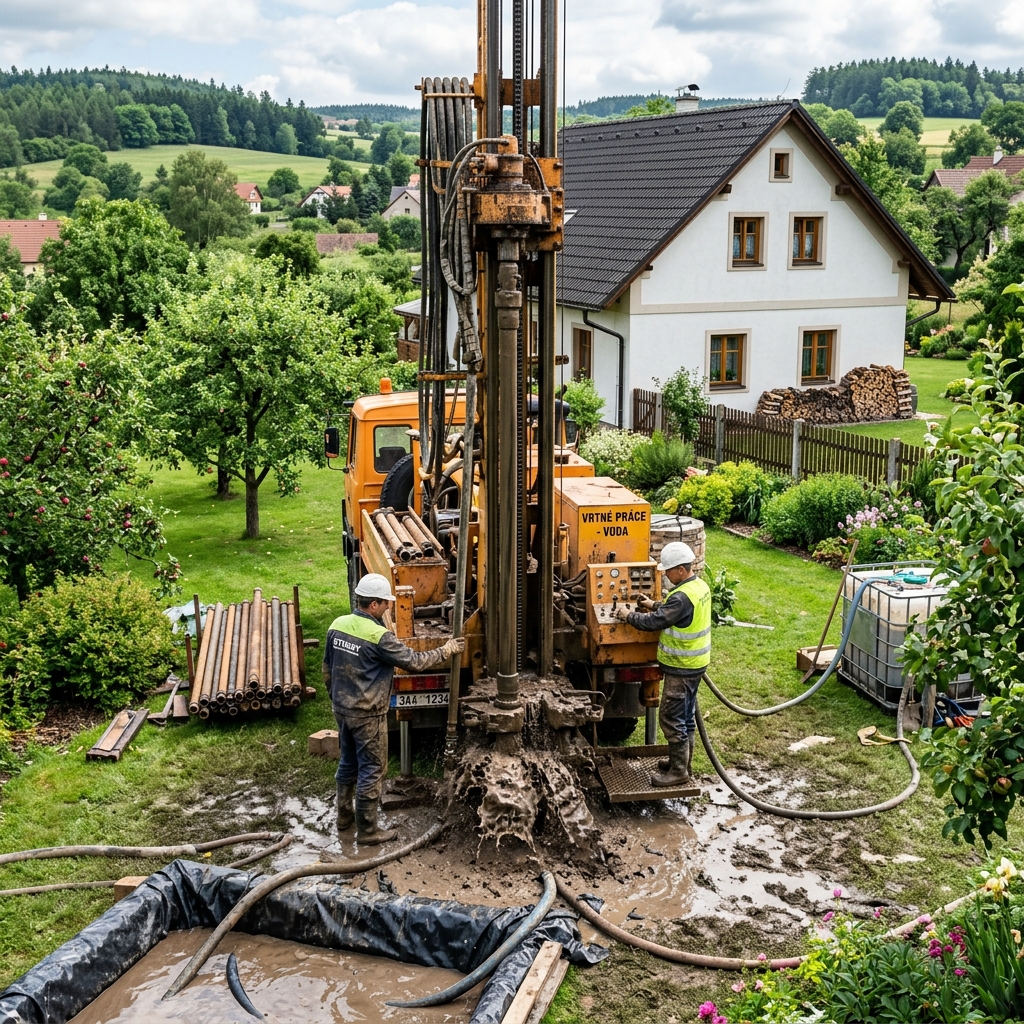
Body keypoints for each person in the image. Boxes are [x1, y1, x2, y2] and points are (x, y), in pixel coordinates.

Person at [324, 573, 465, 844]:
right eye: (385, 602)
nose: (389, 606)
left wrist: (336, 699)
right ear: (373, 604)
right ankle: (368, 831)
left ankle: (344, 818)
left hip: (342, 709)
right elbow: (414, 662)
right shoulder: (379, 637)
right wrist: (446, 650)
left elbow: (326, 669)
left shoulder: (337, 625)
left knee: (348, 761)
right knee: (372, 768)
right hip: (368, 713)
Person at [614, 541, 711, 788]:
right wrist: (652, 604)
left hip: (682, 667)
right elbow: (674, 612)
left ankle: (678, 772)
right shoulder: (698, 587)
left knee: (671, 717)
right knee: (686, 718)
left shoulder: (681, 596)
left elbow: (656, 622)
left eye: (668, 570)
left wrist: (628, 615)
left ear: (681, 569)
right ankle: (683, 764)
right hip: (695, 665)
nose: (665, 575)